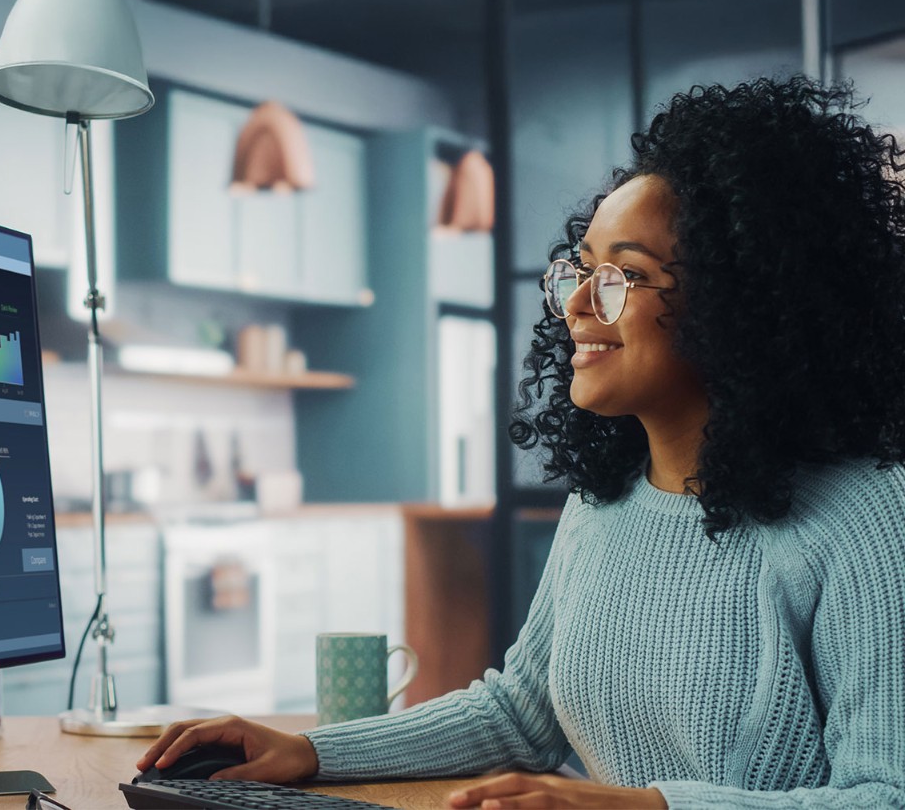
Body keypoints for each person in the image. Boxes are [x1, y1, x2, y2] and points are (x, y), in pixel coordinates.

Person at [137, 76, 905, 809]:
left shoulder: (865, 517)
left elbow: (886, 793)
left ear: (745, 298)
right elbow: (519, 712)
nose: (576, 303)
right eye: (581, 269)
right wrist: (311, 749)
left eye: (622, 276)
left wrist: (640, 805)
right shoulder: (604, 503)